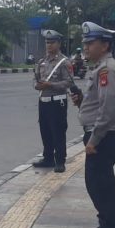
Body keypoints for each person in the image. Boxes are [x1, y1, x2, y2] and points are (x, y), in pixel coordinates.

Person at [71, 21, 115, 228]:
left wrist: (94, 140)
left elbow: (109, 108)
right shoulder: (100, 68)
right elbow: (98, 104)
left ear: (104, 45)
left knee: (102, 186)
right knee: (96, 185)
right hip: (101, 135)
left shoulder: (107, 70)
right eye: (84, 43)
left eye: (90, 43)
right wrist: (82, 104)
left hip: (104, 137)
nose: (86, 47)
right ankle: (106, 226)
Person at [33, 29, 74, 172]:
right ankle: (48, 158)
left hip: (57, 102)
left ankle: (60, 161)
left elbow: (68, 82)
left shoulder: (64, 62)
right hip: (43, 101)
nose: (49, 45)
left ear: (59, 44)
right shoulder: (41, 61)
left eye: (52, 42)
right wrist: (37, 85)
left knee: (58, 132)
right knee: (45, 131)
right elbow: (35, 80)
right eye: (47, 42)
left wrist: (50, 85)